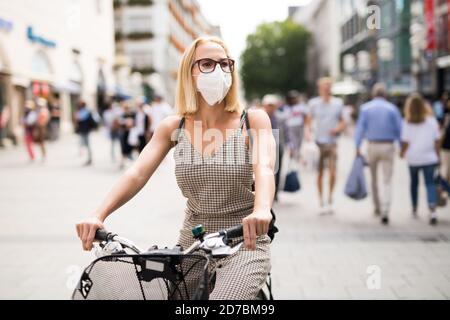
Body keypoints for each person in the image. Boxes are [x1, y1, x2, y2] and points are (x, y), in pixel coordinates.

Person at [76, 36, 277, 300]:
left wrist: (262, 209)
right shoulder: (174, 127)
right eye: (206, 63)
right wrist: (98, 214)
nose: (218, 70)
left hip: (245, 239)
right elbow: (137, 173)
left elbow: (264, 168)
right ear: (189, 72)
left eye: (224, 64)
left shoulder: (253, 120)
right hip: (193, 243)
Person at [354, 83, 402, 225]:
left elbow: (360, 129)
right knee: (387, 179)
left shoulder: (366, 108)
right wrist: (401, 147)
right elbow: (399, 129)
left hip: (372, 145)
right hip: (388, 145)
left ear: (373, 94)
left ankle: (377, 207)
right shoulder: (392, 109)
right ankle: (386, 209)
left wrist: (357, 146)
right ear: (385, 94)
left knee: (373, 179)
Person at [305, 77, 346, 215]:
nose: (327, 88)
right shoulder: (313, 103)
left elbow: (343, 122)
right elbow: (308, 122)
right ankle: (321, 201)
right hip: (318, 144)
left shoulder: (338, 103)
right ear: (320, 88)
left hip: (332, 143)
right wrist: (308, 135)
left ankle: (330, 199)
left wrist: (337, 129)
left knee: (333, 172)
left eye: (329, 86)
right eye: (324, 86)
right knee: (320, 173)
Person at [400, 94, 441, 225]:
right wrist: (437, 155)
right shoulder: (432, 121)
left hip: (413, 158)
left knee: (414, 183)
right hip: (429, 157)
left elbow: (405, 142)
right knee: (430, 183)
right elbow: (437, 141)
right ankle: (432, 209)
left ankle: (414, 208)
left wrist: (402, 153)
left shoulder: (407, 122)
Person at [262, 94, 283, 201]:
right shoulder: (260, 117)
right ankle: (265, 191)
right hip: (263, 147)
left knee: (277, 170)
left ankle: (275, 192)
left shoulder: (280, 117)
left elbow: (286, 131)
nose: (270, 108)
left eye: (272, 105)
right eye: (268, 105)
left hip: (278, 146)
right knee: (265, 169)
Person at [283, 90, 308, 163]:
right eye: (292, 98)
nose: (294, 99)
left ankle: (298, 156)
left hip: (300, 126)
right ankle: (292, 157)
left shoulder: (301, 106)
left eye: (295, 98)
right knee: (292, 143)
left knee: (299, 142)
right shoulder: (286, 107)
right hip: (290, 127)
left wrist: (306, 127)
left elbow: (306, 116)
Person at [75, 100, 95, 166]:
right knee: (84, 144)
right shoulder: (85, 112)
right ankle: (88, 158)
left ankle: (88, 158)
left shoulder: (84, 112)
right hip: (84, 130)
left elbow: (79, 120)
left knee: (85, 144)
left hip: (85, 130)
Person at [118, 101, 136, 169]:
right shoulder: (122, 115)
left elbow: (133, 123)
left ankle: (128, 159)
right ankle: (123, 161)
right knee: (123, 147)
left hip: (130, 133)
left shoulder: (133, 114)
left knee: (130, 147)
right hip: (124, 133)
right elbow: (120, 123)